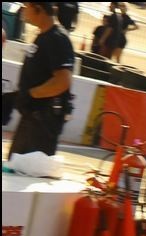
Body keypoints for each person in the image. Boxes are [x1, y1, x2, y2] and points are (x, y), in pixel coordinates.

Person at [9, 2, 75, 159]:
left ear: (39, 8)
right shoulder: (43, 36)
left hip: (43, 121)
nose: (24, 10)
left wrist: (30, 94)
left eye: (27, 6)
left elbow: (62, 81)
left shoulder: (57, 39)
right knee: (15, 165)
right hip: (33, 117)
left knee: (28, 169)